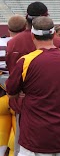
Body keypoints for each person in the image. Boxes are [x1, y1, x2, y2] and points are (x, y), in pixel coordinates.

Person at [6, 16, 60, 155]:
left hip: (35, 134)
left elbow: (11, 91)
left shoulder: (26, 61)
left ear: (32, 35)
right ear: (53, 34)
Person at [0, 15, 26, 156]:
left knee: (1, 139)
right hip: (19, 98)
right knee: (18, 142)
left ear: (8, 28)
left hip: (0, 98)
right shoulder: (28, 43)